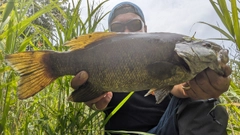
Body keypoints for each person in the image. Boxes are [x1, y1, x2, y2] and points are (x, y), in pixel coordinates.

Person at [70, 2, 232, 135]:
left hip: (164, 130)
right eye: (118, 28)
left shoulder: (168, 57)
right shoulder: (103, 61)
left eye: (134, 24)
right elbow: (94, 101)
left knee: (204, 100)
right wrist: (91, 99)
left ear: (145, 29)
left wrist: (203, 88)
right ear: (109, 35)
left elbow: (181, 89)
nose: (126, 32)